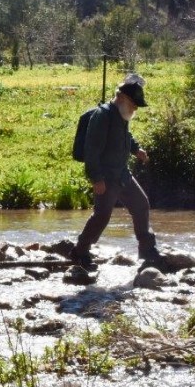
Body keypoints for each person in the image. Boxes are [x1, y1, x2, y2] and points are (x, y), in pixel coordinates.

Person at [69, 76, 161, 271]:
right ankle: (80, 252)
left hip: (122, 174)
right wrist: (96, 178)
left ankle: (148, 251)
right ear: (121, 98)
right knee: (102, 216)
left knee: (141, 206)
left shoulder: (121, 114)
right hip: (106, 177)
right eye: (134, 104)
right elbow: (91, 150)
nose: (135, 108)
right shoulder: (102, 116)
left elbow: (124, 136)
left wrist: (136, 149)